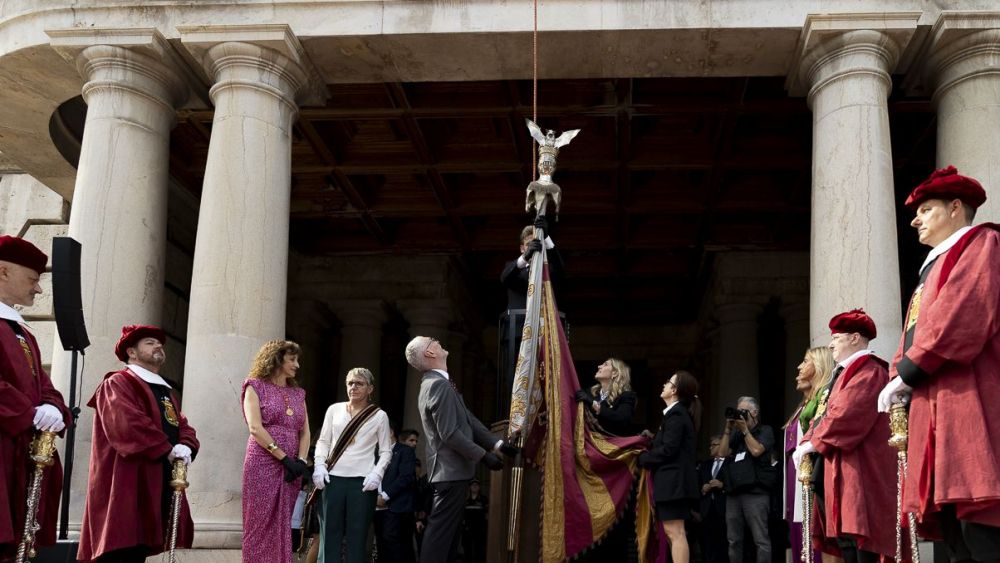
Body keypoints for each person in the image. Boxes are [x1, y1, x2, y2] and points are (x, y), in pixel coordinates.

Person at [878, 166, 1000, 562]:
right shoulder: (931, 267)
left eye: (926, 210)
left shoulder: (983, 244)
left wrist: (908, 371)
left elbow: (961, 317)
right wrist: (899, 373)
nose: (915, 219)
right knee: (951, 529)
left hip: (970, 395)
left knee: (979, 521)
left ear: (955, 208)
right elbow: (913, 330)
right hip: (934, 402)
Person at [77, 325, 199, 563]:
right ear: (131, 352)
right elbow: (126, 424)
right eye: (150, 343)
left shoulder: (166, 392)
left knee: (142, 548)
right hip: (128, 478)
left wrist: (186, 444)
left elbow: (181, 424)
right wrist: (167, 448)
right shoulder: (117, 383)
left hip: (159, 475)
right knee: (122, 547)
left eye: (159, 343)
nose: (158, 346)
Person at [792, 310, 896, 563]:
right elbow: (822, 413)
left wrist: (812, 443)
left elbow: (847, 414)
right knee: (845, 537)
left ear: (855, 338)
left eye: (837, 338)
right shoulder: (841, 374)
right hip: (838, 463)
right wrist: (808, 441)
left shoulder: (869, 370)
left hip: (860, 466)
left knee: (861, 539)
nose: (830, 344)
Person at [404, 335, 518, 563]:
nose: (437, 341)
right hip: (450, 472)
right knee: (440, 540)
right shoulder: (437, 385)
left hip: (454, 472)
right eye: (432, 340)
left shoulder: (440, 383)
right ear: (429, 353)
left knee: (448, 540)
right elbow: (449, 433)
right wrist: (484, 456)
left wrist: (497, 445)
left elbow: (468, 419)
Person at [0, 236, 71, 560]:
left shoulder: (21, 330)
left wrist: (53, 408)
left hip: (18, 452)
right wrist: (28, 412)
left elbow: (43, 383)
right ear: (3, 272)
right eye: (32, 279)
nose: (39, 290)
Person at [311, 367, 392, 563]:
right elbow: (323, 441)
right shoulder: (334, 409)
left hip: (362, 483)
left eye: (359, 383)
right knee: (329, 534)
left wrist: (377, 474)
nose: (354, 387)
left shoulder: (379, 415)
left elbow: (386, 451)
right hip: (332, 479)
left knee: (358, 536)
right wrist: (319, 465)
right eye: (350, 383)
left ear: (370, 388)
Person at [241, 340, 311, 563]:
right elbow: (255, 427)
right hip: (262, 461)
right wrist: (283, 458)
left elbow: (305, 431)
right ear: (276, 359)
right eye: (292, 359)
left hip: (292, 466)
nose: (297, 365)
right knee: (259, 522)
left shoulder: (299, 394)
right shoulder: (254, 386)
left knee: (284, 523)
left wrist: (300, 461)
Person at [638, 371, 700, 563]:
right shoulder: (676, 415)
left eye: (668, 382)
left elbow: (669, 449)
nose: (664, 385)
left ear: (674, 390)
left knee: (676, 532)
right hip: (673, 483)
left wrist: (644, 458)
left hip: (674, 483)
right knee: (672, 531)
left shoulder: (677, 415)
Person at [783, 347, 834, 563]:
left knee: (814, 534)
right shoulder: (802, 405)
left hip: (811, 476)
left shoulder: (822, 401)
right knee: (798, 535)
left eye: (805, 361)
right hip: (796, 479)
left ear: (819, 365)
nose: (799, 367)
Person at [718, 396, 774, 563]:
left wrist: (745, 431)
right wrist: (728, 429)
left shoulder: (766, 431)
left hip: (756, 492)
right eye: (738, 411)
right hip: (734, 493)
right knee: (733, 539)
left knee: (760, 540)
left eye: (743, 411)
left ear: (754, 412)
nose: (740, 415)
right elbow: (722, 453)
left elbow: (757, 450)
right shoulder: (735, 434)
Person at [376, 427, 419, 563]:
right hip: (376, 508)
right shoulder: (375, 453)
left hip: (395, 506)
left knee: (395, 546)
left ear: (390, 432)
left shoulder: (405, 451)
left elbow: (406, 477)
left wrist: (385, 496)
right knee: (381, 544)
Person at [574, 357, 637, 436]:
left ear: (615, 373)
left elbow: (622, 419)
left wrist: (594, 404)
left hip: (614, 443)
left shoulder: (627, 396)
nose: (599, 366)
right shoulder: (588, 393)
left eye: (605, 364)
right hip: (590, 441)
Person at [698, 434, 729, 563]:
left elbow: (735, 484)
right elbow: (696, 484)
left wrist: (722, 485)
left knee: (723, 543)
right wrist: (703, 488)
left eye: (714, 444)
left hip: (723, 510)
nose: (710, 447)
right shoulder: (705, 465)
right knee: (707, 543)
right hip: (707, 510)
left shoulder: (730, 463)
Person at [462, 479, 488, 563]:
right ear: (469, 487)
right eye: (472, 485)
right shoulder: (465, 500)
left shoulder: (484, 499)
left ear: (479, 487)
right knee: (467, 549)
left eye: (476, 485)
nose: (474, 486)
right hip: (467, 529)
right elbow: (462, 514)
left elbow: (488, 514)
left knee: (479, 550)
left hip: (480, 528)